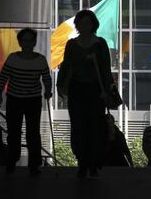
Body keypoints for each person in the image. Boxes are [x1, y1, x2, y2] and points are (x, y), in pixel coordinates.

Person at [57, 10, 113, 178]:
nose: (84, 26)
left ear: (93, 25)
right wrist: (60, 86)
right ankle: (82, 163)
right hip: (77, 90)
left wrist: (107, 89)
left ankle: (94, 164)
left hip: (96, 91)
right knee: (79, 127)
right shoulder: (72, 44)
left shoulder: (100, 44)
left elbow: (106, 69)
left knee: (95, 127)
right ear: (77, 26)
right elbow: (66, 66)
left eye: (87, 23)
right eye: (81, 23)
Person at [0, 28, 52, 175]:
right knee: (13, 132)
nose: (27, 43)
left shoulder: (40, 60)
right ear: (20, 42)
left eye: (30, 40)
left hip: (33, 100)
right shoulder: (12, 58)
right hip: (14, 99)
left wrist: (48, 90)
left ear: (34, 42)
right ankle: (11, 161)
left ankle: (34, 165)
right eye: (24, 40)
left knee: (33, 133)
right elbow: (3, 77)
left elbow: (47, 77)